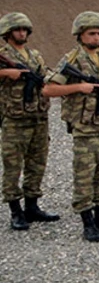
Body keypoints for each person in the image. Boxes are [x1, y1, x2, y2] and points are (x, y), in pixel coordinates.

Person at [42, 12, 99, 242]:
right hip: (86, 127)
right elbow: (49, 89)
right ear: (80, 35)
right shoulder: (72, 59)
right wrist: (78, 88)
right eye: (92, 33)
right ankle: (87, 222)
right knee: (85, 175)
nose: (97, 37)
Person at [0, 12, 59, 230]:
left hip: (38, 117)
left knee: (37, 163)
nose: (22, 33)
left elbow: (47, 75)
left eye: (25, 29)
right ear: (7, 33)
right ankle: (15, 211)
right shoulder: (2, 54)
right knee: (13, 167)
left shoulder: (35, 55)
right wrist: (6, 73)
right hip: (15, 119)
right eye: (17, 30)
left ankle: (32, 206)